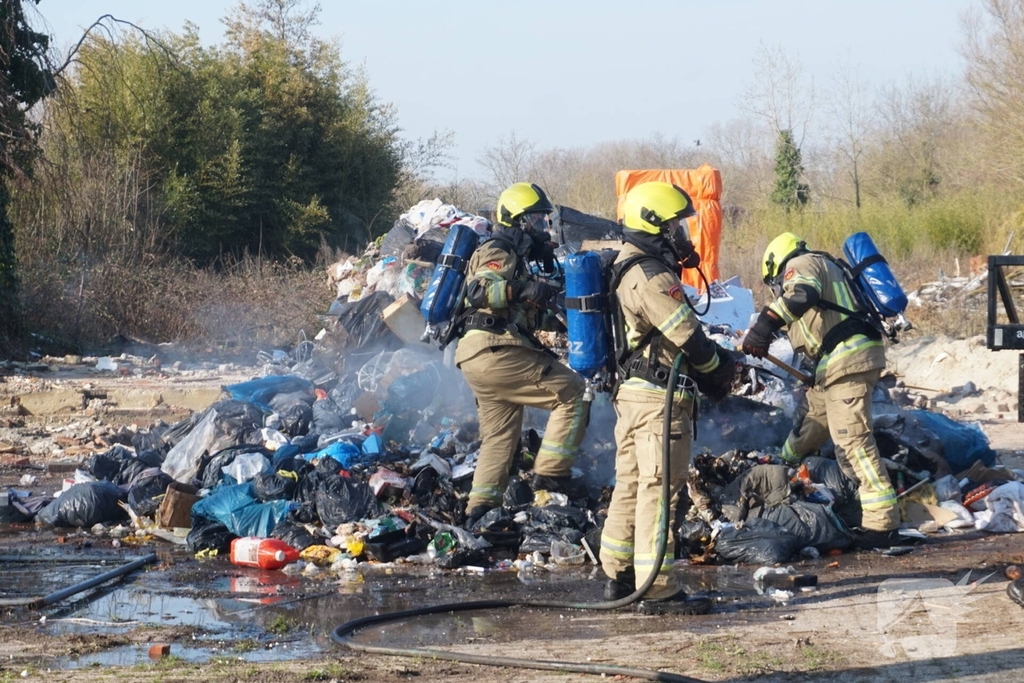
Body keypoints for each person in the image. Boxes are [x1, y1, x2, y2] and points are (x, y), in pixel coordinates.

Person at [600, 182, 735, 615]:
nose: (682, 236)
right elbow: (689, 339)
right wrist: (719, 374)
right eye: (676, 226)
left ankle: (617, 575)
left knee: (632, 484)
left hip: (633, 395)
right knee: (661, 490)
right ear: (655, 225)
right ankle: (656, 588)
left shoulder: (624, 264)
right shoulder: (651, 275)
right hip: (659, 400)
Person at [741, 232, 899, 548]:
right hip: (833, 364)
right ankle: (787, 459)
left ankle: (882, 525)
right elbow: (812, 424)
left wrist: (763, 326)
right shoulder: (821, 266)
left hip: (847, 358)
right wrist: (780, 463)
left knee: (852, 441)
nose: (778, 290)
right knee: (812, 420)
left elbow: (801, 295)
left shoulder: (802, 263)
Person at [455, 182, 589, 527]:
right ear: (519, 221)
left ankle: (479, 509)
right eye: (538, 220)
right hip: (495, 349)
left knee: (500, 434)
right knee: (574, 393)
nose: (544, 227)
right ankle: (551, 475)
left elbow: (522, 310)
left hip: (477, 355)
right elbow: (478, 290)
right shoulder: (499, 250)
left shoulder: (518, 258)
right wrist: (524, 287)